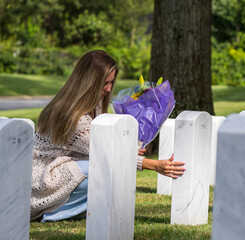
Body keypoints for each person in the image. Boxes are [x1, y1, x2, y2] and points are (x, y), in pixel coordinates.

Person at [30, 50, 186, 221]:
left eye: (111, 82)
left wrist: (130, 147)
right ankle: (51, 212)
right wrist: (154, 165)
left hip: (62, 170)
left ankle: (73, 210)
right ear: (89, 82)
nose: (110, 88)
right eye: (105, 83)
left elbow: (103, 145)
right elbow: (105, 152)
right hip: (43, 180)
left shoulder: (93, 105)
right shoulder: (74, 117)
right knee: (105, 169)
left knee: (107, 171)